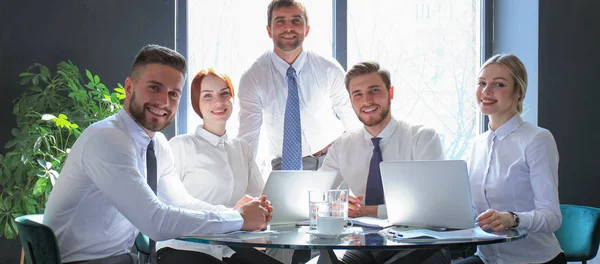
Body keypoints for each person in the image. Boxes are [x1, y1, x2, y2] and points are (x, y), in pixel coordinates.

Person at [43, 45, 271, 264]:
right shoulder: (108, 139)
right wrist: (239, 219)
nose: (164, 101)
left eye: (173, 93)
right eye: (154, 87)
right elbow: (155, 221)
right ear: (129, 88)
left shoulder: (157, 144)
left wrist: (232, 212)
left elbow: (182, 202)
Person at [320, 61, 451, 264]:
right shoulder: (342, 145)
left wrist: (369, 211)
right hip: (366, 243)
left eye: (374, 90)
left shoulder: (422, 138)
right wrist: (339, 205)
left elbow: (433, 206)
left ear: (390, 93)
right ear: (351, 101)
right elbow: (319, 196)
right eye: (358, 94)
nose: (367, 100)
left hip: (420, 241)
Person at [455, 54, 565, 264]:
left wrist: (512, 219)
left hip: (535, 260)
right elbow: (471, 210)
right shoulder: (476, 145)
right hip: (487, 259)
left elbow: (552, 217)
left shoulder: (537, 139)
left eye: (499, 84)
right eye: (482, 83)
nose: (486, 91)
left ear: (518, 93)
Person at [156, 68, 269, 264]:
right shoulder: (180, 146)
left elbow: (259, 198)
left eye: (224, 93)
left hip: (229, 248)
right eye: (207, 96)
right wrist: (234, 214)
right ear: (196, 104)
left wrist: (262, 211)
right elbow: (171, 205)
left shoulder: (242, 148)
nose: (218, 102)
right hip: (183, 247)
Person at [237, 0, 360, 171]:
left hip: (333, 158)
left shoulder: (329, 69)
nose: (288, 28)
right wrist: (244, 182)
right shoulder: (253, 77)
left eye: (296, 20)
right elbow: (248, 137)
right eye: (280, 21)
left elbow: (353, 121)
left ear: (306, 29)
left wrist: (362, 165)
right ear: (269, 30)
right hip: (285, 164)